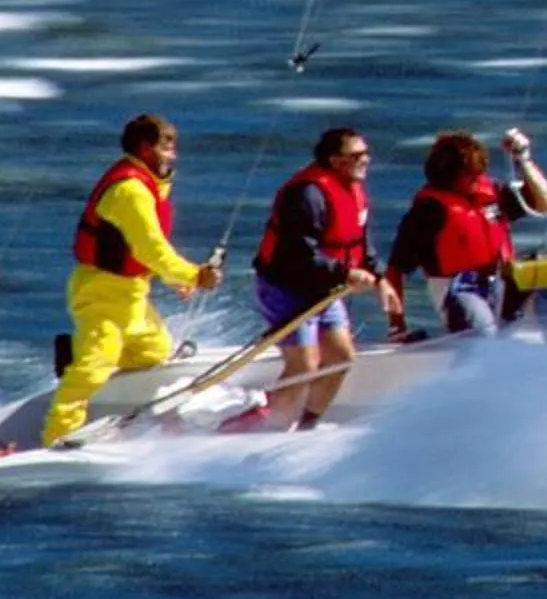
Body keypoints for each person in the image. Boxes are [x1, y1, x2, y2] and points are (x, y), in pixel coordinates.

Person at [44, 113, 222, 447]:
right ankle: (58, 435)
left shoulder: (149, 186)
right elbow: (151, 249)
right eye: (166, 147)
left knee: (153, 351)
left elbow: (141, 251)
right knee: (94, 369)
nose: (173, 155)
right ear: (144, 148)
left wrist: (175, 279)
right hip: (102, 292)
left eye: (174, 147)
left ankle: (77, 353)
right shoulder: (130, 192)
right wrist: (194, 275)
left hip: (131, 293)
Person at [249, 126, 384, 429]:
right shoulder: (307, 195)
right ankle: (268, 431)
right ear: (335, 160)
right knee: (304, 366)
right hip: (286, 286)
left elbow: (361, 242)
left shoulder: (352, 191)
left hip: (324, 287)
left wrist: (379, 276)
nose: (366, 160)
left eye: (366, 153)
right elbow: (298, 254)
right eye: (357, 155)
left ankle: (308, 426)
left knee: (341, 357)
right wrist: (346, 273)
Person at [384, 127, 547, 338]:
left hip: (502, 279)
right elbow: (395, 270)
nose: (478, 178)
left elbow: (546, 204)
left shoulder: (491, 193)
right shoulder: (429, 211)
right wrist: (397, 325)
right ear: (448, 175)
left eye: (480, 171)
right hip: (460, 289)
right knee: (485, 335)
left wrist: (523, 159)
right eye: (470, 174)